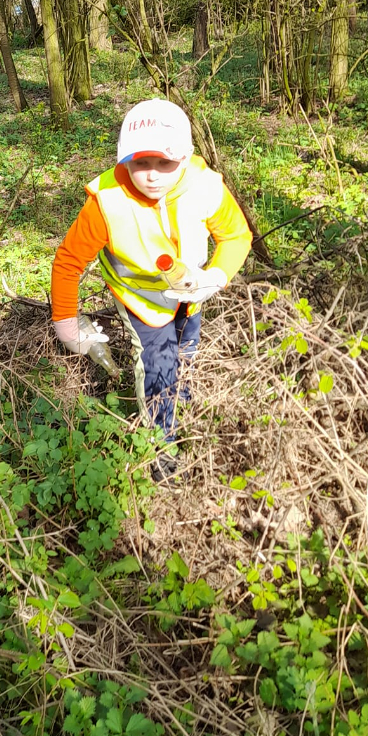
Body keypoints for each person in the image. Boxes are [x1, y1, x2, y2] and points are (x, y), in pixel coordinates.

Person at [51, 98, 252, 481]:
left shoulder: (204, 187)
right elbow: (68, 263)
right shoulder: (106, 202)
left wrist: (215, 277)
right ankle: (162, 454)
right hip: (140, 301)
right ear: (124, 159)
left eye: (166, 163)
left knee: (186, 354)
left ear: (186, 158)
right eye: (141, 163)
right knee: (159, 370)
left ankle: (185, 407)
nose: (153, 175)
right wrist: (66, 325)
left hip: (191, 297)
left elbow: (236, 236)